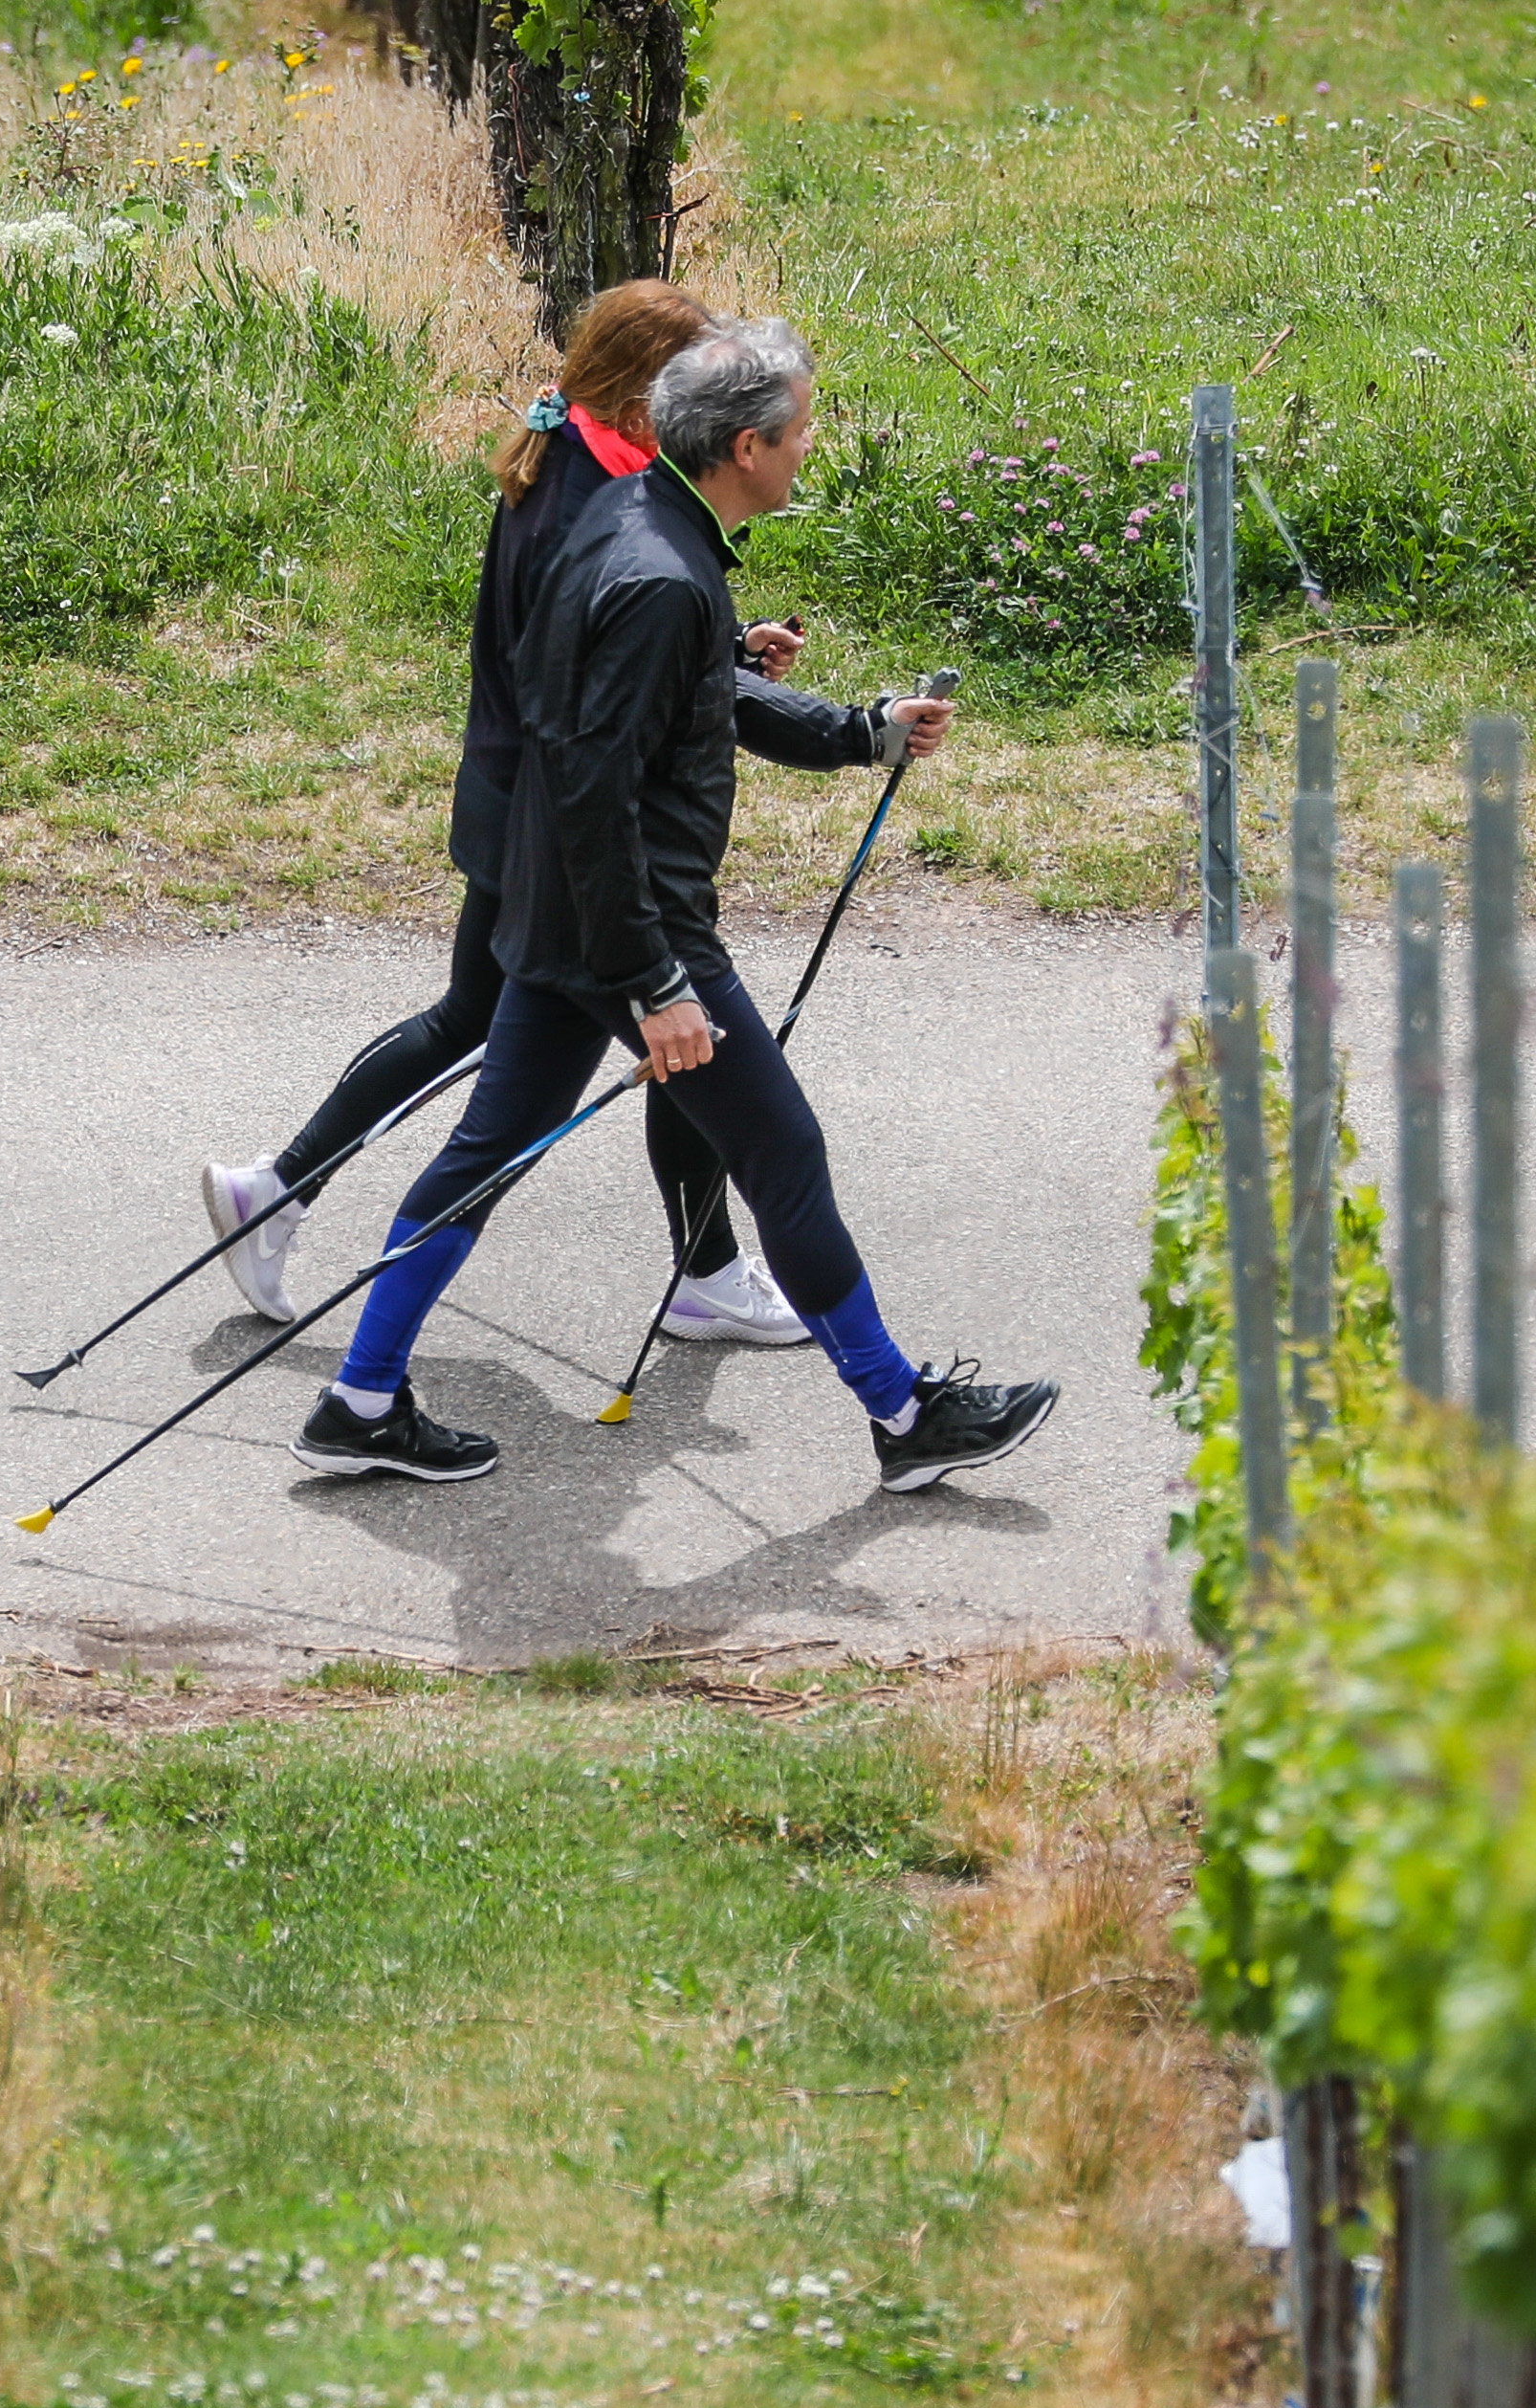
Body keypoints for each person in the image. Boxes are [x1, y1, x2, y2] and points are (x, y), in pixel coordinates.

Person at [294, 320, 1057, 1498]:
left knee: (484, 1153)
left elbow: (679, 705)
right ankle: (903, 1414)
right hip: (628, 922)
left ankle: (360, 1398)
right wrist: (655, 982)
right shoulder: (660, 577)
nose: (809, 451)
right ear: (745, 447)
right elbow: (599, 792)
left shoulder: (637, 521)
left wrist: (862, 732)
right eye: (800, 432)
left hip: (558, 912)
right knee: (783, 1153)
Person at [189, 279, 811, 1354]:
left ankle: (279, 1192)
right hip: (559, 827)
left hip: (524, 806)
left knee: (488, 1022)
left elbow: (609, 660)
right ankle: (699, 1273)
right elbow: (595, 690)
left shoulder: (575, 459)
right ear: (634, 396)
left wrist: (715, 650)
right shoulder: (585, 493)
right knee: (674, 1028)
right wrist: (732, 675)